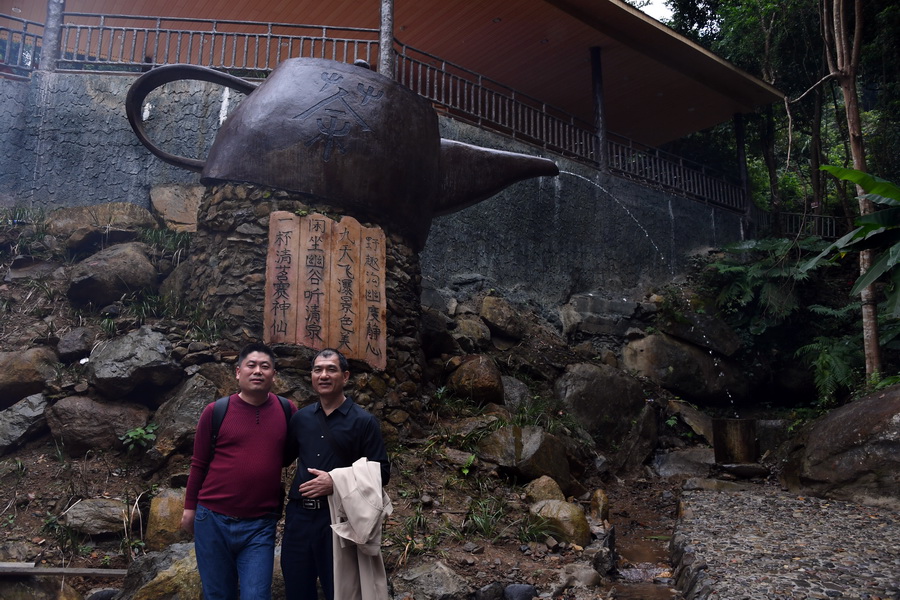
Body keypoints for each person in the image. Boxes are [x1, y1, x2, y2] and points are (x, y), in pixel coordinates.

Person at [181, 342, 295, 600]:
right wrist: (189, 508)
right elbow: (199, 463)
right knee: (218, 594)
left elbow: (291, 454)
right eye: (251, 365)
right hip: (213, 518)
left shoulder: (287, 410)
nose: (258, 371)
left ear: (274, 374)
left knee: (256, 595)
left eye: (265, 366)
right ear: (238, 371)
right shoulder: (216, 411)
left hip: (260, 524)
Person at [281, 348, 391, 600]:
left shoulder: (363, 421)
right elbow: (281, 458)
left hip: (338, 519)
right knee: (296, 588)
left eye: (331, 369)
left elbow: (382, 472)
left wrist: (336, 481)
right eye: (318, 370)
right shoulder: (301, 419)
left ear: (345, 376)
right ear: (311, 375)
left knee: (339, 590)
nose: (324, 375)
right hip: (298, 517)